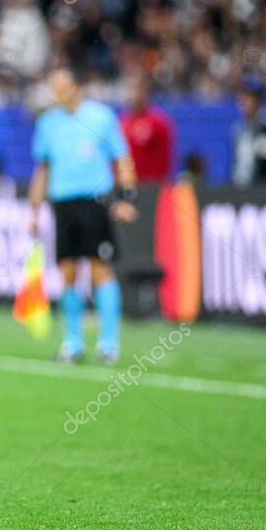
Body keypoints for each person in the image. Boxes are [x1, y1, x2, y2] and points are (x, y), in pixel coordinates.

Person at [28, 67, 138, 365]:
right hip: (62, 203)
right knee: (67, 272)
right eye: (54, 87)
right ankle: (72, 343)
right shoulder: (48, 123)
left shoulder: (101, 117)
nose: (57, 93)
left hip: (94, 201)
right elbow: (43, 169)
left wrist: (128, 197)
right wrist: (34, 210)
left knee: (100, 268)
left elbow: (122, 157)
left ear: (77, 86)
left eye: (62, 86)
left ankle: (108, 344)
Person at [120, 74, 174, 183]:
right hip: (131, 183)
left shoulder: (158, 122)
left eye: (137, 92)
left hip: (153, 183)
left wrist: (159, 180)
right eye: (131, 92)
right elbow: (124, 156)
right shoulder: (123, 122)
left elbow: (164, 157)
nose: (133, 96)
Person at [231, 78, 266, 187]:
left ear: (258, 101)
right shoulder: (239, 128)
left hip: (261, 189)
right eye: (242, 99)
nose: (244, 103)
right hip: (240, 187)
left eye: (248, 99)